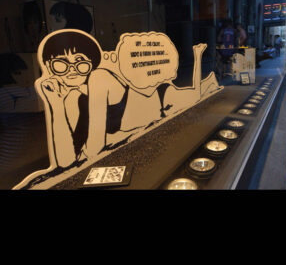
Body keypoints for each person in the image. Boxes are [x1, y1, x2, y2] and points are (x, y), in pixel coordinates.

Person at [19, 30, 221, 182]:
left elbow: (93, 150)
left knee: (198, 92)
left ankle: (206, 74)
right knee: (198, 92)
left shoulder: (99, 78)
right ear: (49, 66)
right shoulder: (71, 98)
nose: (72, 70)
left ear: (91, 62)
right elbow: (65, 162)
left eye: (80, 61)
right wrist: (55, 105)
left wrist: (197, 59)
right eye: (60, 64)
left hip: (162, 98)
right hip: (154, 107)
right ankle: (206, 77)